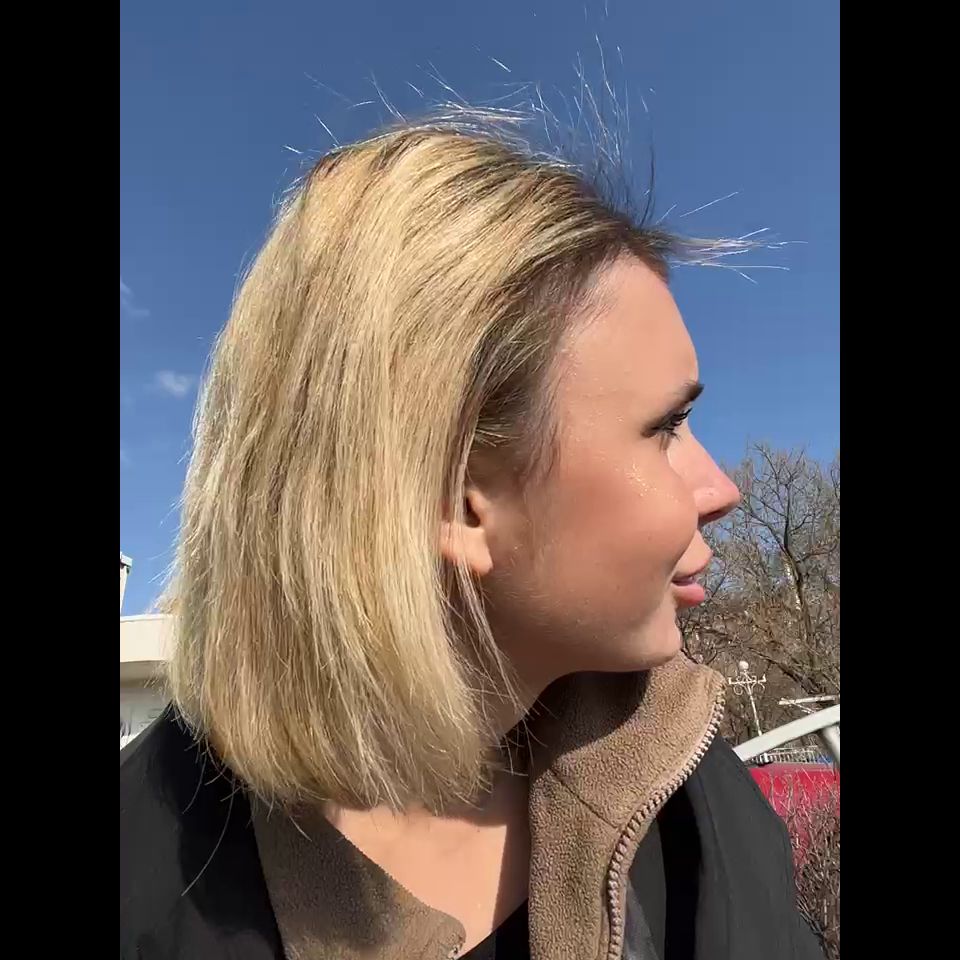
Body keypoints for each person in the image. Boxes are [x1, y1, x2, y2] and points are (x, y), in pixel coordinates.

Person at [120, 116, 825, 960]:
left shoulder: (691, 785)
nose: (722, 490)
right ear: (456, 502)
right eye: (665, 427)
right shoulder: (148, 889)